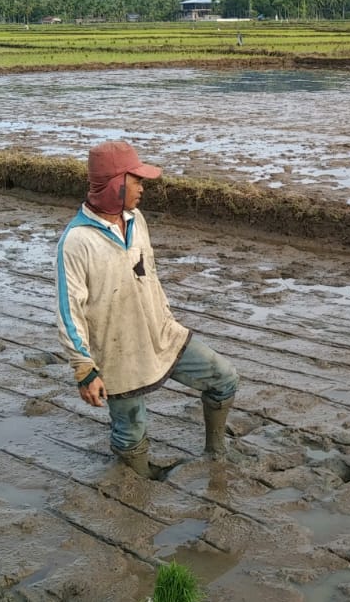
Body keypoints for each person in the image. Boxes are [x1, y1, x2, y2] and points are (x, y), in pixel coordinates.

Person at [56, 141, 239, 475]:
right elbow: (69, 311)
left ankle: (216, 454)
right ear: (115, 184)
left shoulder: (136, 219)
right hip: (117, 349)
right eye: (136, 180)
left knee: (224, 378)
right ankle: (135, 493)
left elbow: (148, 274)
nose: (142, 188)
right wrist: (84, 368)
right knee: (131, 431)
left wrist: (166, 317)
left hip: (160, 332)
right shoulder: (76, 241)